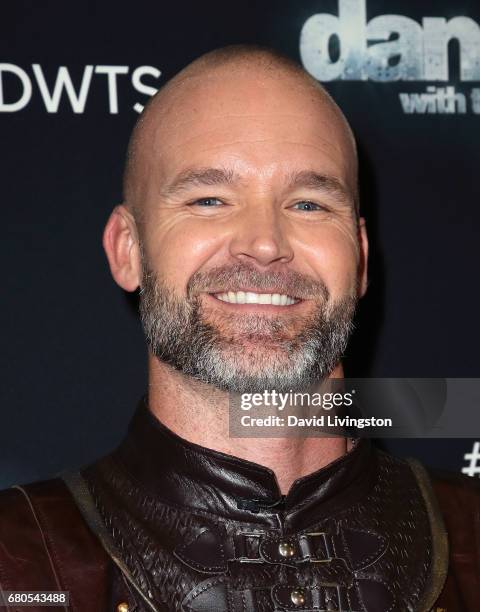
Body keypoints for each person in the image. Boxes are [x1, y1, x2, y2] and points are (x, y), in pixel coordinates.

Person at [0, 45, 478, 612]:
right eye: (209, 199)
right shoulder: (15, 559)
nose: (265, 244)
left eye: (308, 205)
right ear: (128, 249)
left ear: (362, 257)